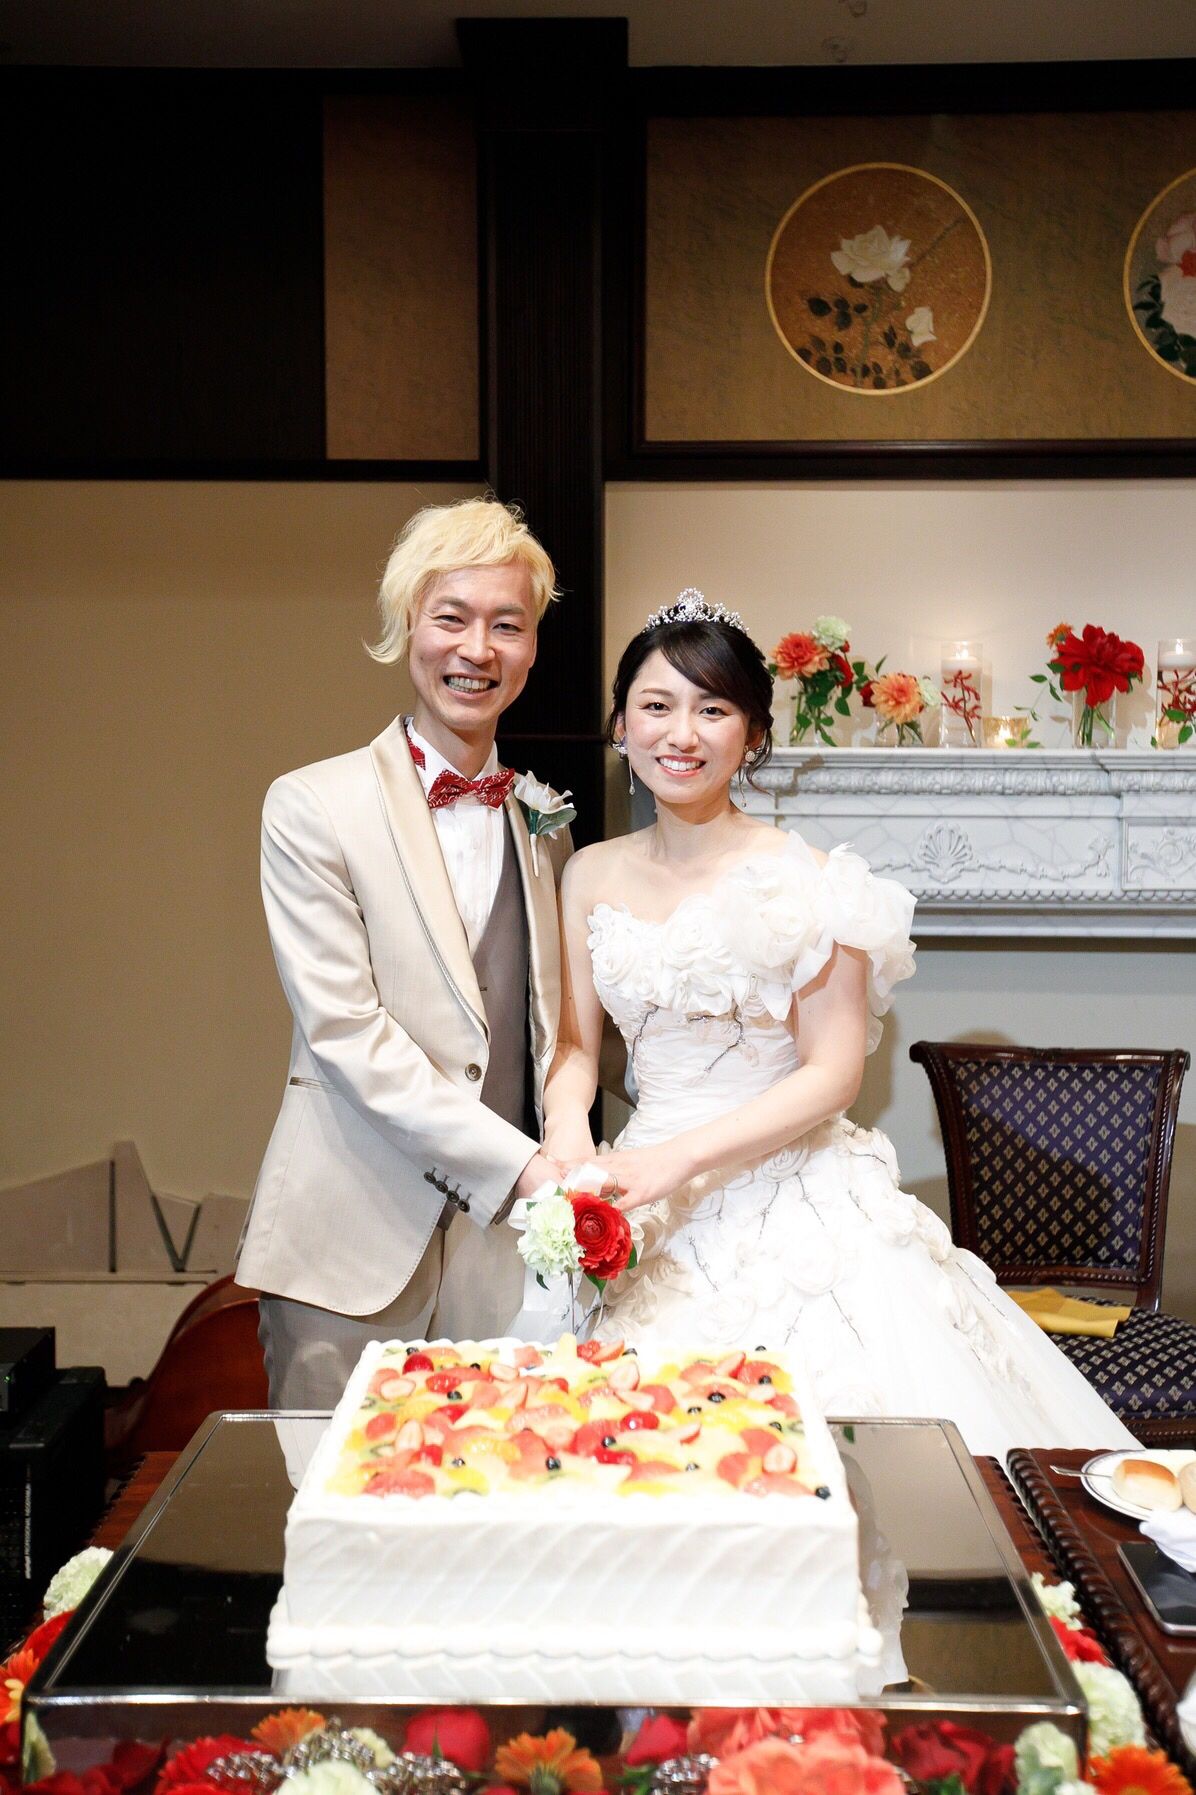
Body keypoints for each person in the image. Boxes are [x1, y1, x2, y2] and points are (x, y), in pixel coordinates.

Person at [534, 588, 1137, 1460]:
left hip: (790, 1188)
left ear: (753, 733)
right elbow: (574, 1045)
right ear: (621, 727)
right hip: (635, 1192)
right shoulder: (587, 873)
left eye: (713, 709)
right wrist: (567, 1144)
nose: (682, 733)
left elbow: (833, 1072)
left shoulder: (813, 879)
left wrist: (677, 1160)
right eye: (656, 707)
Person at [237, 497, 572, 1408]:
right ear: (407, 626)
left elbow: (554, 1035)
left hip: (501, 1267)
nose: (477, 649)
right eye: (451, 617)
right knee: (331, 1494)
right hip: (346, 1251)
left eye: (507, 624)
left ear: (532, 648)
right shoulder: (312, 805)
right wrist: (523, 1170)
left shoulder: (545, 824)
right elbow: (346, 1032)